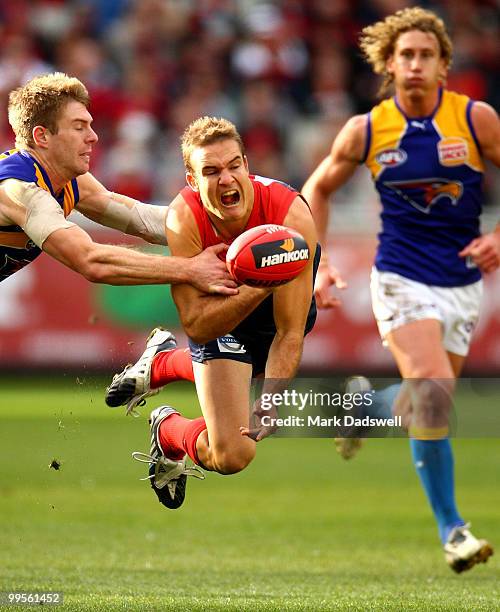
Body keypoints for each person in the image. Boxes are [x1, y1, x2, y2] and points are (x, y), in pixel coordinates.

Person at [301, 7, 499, 573]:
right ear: (388, 64)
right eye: (405, 55)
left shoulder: (476, 119)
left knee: (423, 405)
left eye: (426, 55)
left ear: (444, 66)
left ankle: (361, 408)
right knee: (435, 395)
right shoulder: (366, 129)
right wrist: (318, 264)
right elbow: (317, 187)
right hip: (399, 276)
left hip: (461, 283)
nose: (415, 65)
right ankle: (453, 530)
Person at [107, 116, 319, 509]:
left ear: (247, 166)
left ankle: (164, 364)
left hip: (274, 317)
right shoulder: (183, 218)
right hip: (221, 316)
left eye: (234, 165)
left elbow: (290, 332)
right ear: (191, 178)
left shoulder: (291, 218)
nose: (226, 180)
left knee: (256, 382)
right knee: (234, 456)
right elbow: (197, 325)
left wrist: (270, 400)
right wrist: (256, 287)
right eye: (211, 171)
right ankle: (169, 429)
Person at [0, 72, 237, 294]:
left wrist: (228, 226)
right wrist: (190, 269)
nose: (93, 136)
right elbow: (90, 260)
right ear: (41, 136)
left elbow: (142, 220)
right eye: (79, 127)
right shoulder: (19, 189)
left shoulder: (69, 180)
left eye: (90, 125)